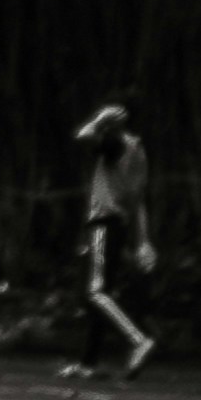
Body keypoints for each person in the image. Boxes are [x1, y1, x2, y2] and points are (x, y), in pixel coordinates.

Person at [71, 100, 157, 376]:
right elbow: (138, 202)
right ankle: (88, 363)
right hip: (118, 225)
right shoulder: (138, 153)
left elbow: (82, 136)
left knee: (95, 292)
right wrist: (143, 241)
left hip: (103, 223)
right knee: (99, 295)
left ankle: (138, 340)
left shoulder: (116, 145)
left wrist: (99, 118)